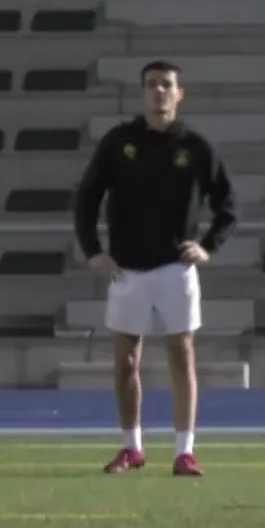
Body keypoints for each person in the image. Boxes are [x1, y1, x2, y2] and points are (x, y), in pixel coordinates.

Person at [73, 61, 236, 478]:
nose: (158, 91)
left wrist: (207, 246)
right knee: (126, 361)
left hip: (174, 269)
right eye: (151, 85)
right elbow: (87, 198)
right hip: (126, 270)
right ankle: (132, 448)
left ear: (180, 93)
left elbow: (228, 206)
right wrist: (94, 250)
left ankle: (185, 451)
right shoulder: (119, 142)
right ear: (142, 93)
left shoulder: (196, 146)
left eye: (167, 85)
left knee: (182, 357)